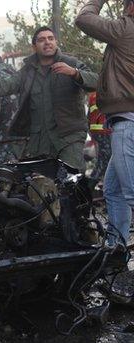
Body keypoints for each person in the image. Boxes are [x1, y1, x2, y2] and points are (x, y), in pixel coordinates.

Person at [0, 26, 98, 171]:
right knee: (41, 183)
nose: (47, 42)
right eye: (42, 40)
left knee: (70, 178)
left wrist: (75, 73)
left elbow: (96, 81)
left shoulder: (71, 63)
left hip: (68, 137)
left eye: (50, 38)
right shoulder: (27, 71)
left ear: (56, 42)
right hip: (39, 139)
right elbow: (4, 85)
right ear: (34, 47)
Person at [76, 0, 134, 244]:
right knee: (113, 189)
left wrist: (95, 1)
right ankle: (116, 249)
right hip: (126, 120)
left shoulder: (127, 28)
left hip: (128, 121)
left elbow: (84, 20)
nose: (124, 8)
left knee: (130, 192)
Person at [87, 92, 111, 183]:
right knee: (105, 159)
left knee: (103, 158)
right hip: (105, 131)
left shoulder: (93, 95)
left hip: (97, 131)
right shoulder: (109, 93)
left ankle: (94, 180)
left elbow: (88, 116)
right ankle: (92, 182)